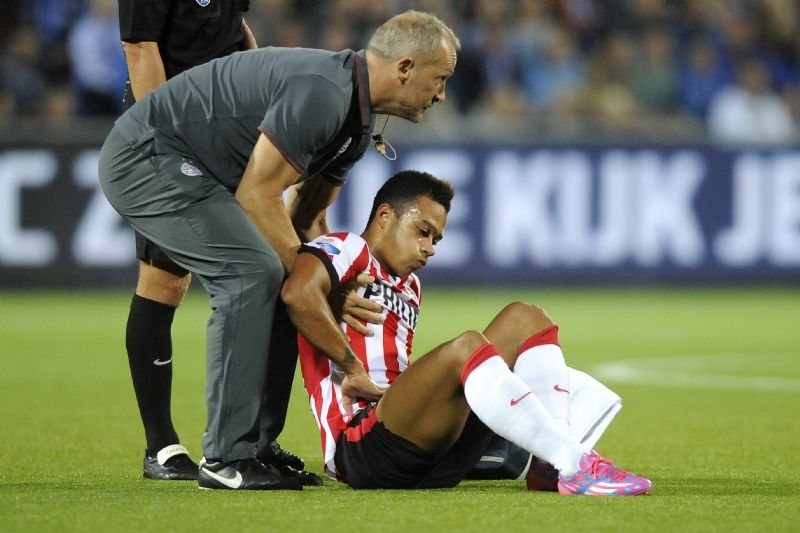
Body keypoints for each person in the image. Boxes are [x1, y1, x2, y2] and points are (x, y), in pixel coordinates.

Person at [98, 10, 461, 490]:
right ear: (406, 68)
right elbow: (257, 195)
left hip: (198, 166)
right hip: (147, 154)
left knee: (289, 275)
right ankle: (226, 458)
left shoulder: (358, 122)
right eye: (440, 79)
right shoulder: (323, 92)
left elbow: (305, 218)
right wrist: (319, 289)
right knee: (250, 273)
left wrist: (323, 282)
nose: (441, 94)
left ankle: (256, 445)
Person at [284, 170, 652, 495]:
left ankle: (550, 463)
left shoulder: (411, 287)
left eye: (436, 239)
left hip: (424, 448)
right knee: (467, 346)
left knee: (525, 317)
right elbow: (297, 294)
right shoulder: (347, 248)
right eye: (423, 232)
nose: (429, 248)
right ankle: (574, 461)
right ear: (384, 216)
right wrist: (351, 368)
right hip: (361, 446)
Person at [115, 0, 263, 482]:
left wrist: (260, 95)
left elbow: (235, 31)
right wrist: (167, 135)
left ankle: (254, 441)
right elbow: (139, 47)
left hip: (229, 124)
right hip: (174, 131)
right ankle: (160, 445)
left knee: (265, 270)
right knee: (164, 280)